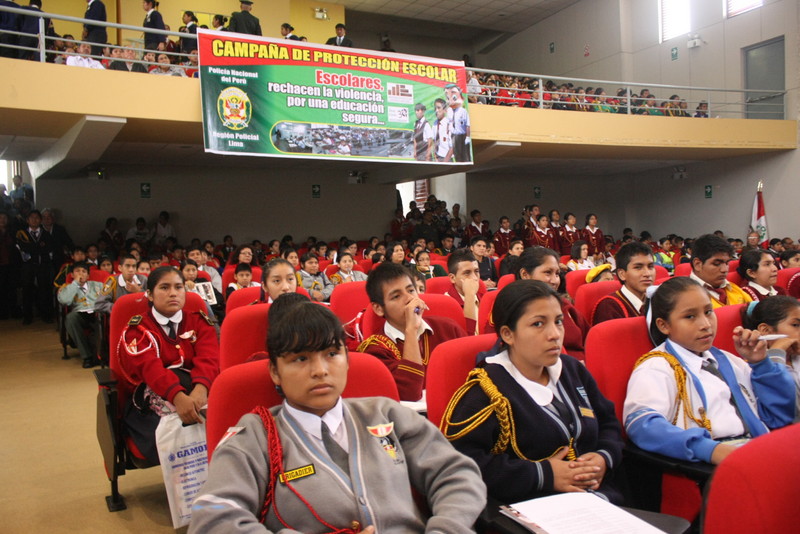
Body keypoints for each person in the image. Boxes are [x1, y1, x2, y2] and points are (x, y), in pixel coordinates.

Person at [189, 302, 485, 533]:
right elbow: (212, 516)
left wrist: (447, 528)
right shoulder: (255, 435)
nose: (320, 370)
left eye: (332, 353)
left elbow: (457, 475)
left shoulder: (384, 413)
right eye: (301, 359)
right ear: (275, 372)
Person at [441, 280, 624, 504]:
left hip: (600, 498)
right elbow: (463, 462)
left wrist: (604, 457)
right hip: (533, 506)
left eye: (558, 321)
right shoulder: (487, 392)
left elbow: (608, 423)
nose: (555, 334)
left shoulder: (571, 369)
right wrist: (542, 475)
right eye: (538, 324)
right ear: (508, 334)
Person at [623, 277, 795, 465]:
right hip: (710, 462)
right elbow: (642, 426)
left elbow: (778, 418)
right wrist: (708, 449)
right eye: (690, 316)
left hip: (757, 450)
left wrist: (762, 364)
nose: (706, 324)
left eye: (708, 312)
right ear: (664, 325)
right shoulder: (657, 367)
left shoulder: (729, 361)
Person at [118, 266, 219, 465]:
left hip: (199, 392)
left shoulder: (199, 321)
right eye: (164, 287)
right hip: (155, 398)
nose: (173, 293)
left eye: (178, 287)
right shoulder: (137, 329)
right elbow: (150, 369)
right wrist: (178, 397)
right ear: (149, 294)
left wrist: (200, 390)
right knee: (172, 440)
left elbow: (209, 358)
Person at [358, 263, 466, 401]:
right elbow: (410, 393)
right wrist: (411, 329)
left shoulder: (448, 328)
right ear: (379, 308)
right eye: (396, 296)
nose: (409, 299)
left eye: (411, 290)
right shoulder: (375, 350)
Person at [515, 247, 590, 360]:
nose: (555, 281)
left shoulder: (564, 305)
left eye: (557, 274)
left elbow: (589, 339)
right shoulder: (512, 309)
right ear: (525, 274)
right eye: (548, 273)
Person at [742, 296, 800, 421]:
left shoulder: (796, 357)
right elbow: (786, 413)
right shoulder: (751, 370)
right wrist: (776, 353)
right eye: (796, 325)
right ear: (766, 330)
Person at [592, 241, 654, 325]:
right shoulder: (609, 307)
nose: (648, 274)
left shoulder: (656, 300)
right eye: (638, 267)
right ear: (622, 274)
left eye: (650, 267)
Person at [57, 262, 103, 367]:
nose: (81, 274)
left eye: (84, 271)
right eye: (77, 271)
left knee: (103, 319)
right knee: (70, 318)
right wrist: (75, 284)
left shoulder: (98, 285)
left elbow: (107, 298)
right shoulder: (67, 287)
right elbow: (64, 301)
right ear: (72, 275)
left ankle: (101, 355)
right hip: (80, 314)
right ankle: (87, 357)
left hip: (97, 313)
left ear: (88, 275)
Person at [689, 234, 751, 308]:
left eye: (727, 263)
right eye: (717, 264)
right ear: (697, 264)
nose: (724, 270)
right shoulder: (684, 296)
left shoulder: (735, 289)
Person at [16, 209, 55, 324]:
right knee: (27, 290)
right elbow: (23, 248)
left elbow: (48, 249)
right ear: (27, 220)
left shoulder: (46, 234)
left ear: (40, 220)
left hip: (43, 265)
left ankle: (46, 315)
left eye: (37, 217)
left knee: (45, 289)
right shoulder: (22, 234)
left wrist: (35, 249)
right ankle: (27, 316)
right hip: (27, 266)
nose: (34, 220)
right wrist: (38, 248)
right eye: (32, 218)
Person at [444, 249, 484, 334]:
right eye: (467, 273)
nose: (474, 278)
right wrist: (470, 295)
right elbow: (467, 337)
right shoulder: (446, 304)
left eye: (476, 271)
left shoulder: (484, 298)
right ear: (452, 278)